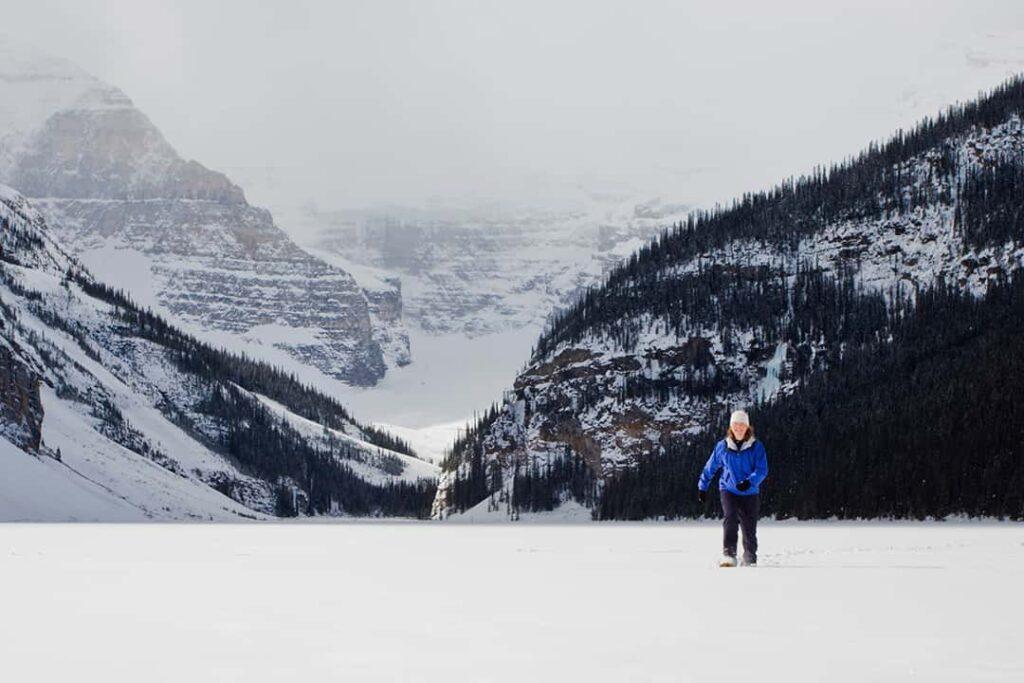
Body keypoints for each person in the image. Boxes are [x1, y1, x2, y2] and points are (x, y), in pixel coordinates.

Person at [697, 409, 768, 567]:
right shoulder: (722, 446)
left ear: (747, 427)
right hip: (728, 489)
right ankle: (729, 553)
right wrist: (702, 487)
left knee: (749, 525)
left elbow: (762, 470)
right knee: (730, 518)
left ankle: (750, 555)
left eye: (742, 425)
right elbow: (710, 467)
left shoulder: (756, 447)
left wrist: (750, 482)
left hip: (750, 491)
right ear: (731, 426)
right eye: (736, 424)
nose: (739, 428)